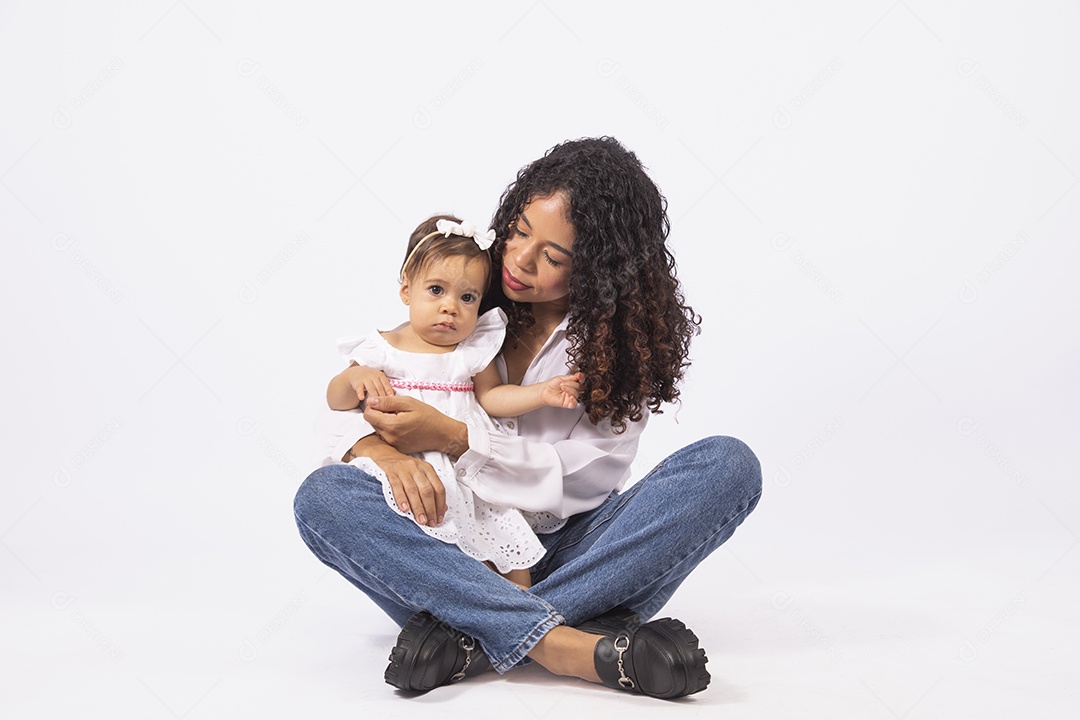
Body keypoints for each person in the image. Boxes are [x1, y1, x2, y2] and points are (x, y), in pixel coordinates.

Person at [294, 136, 762, 699]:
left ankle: (469, 635)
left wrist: (454, 437)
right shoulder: (462, 299)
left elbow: (580, 479)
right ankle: (567, 645)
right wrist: (381, 451)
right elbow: (349, 404)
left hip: (570, 547)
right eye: (518, 232)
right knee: (324, 497)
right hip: (451, 540)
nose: (519, 260)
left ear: (598, 270)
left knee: (728, 466)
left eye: (554, 258)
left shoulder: (618, 349)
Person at [326, 213, 583, 589]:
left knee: (508, 547)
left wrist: (538, 394)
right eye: (436, 290)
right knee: (434, 548)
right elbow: (336, 400)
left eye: (467, 297)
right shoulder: (382, 348)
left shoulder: (470, 352)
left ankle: (524, 612)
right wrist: (354, 377)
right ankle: (468, 614)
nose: (451, 307)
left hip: (470, 473)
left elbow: (493, 398)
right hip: (414, 470)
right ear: (405, 291)